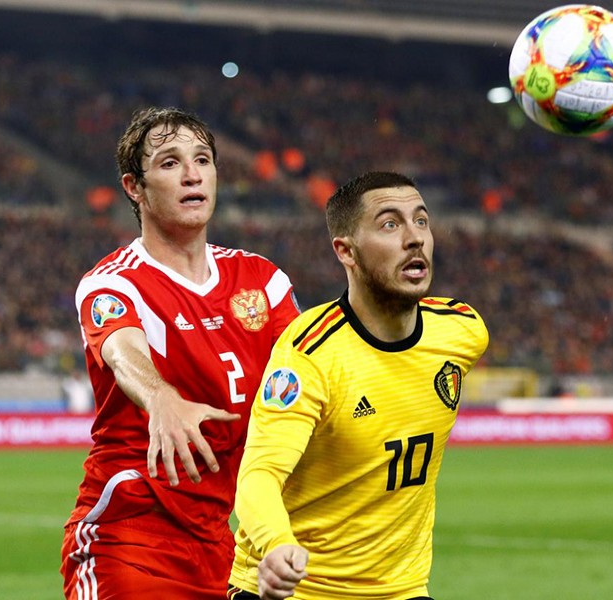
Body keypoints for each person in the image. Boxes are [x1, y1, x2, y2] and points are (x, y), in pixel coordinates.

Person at [59, 107, 300, 599]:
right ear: (134, 187)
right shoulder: (114, 282)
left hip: (225, 545)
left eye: (203, 159)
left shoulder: (263, 282)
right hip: (128, 539)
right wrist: (160, 398)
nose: (192, 174)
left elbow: (312, 374)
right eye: (169, 163)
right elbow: (123, 350)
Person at [227, 171, 489, 599]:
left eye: (421, 221)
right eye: (390, 224)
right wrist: (276, 545)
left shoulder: (462, 331)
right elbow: (258, 476)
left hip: (402, 590)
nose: (414, 238)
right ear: (346, 251)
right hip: (297, 589)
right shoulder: (309, 354)